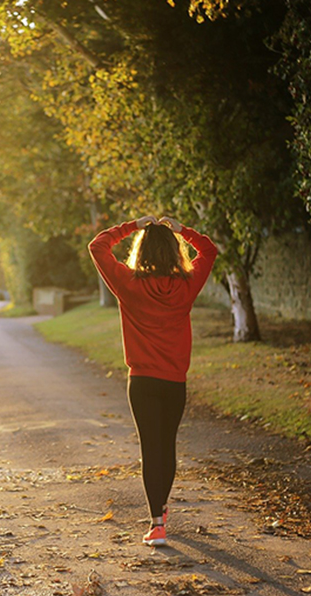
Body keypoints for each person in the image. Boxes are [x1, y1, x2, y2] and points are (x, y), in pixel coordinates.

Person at [88, 215, 218, 546]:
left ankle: (157, 523)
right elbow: (209, 250)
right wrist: (182, 230)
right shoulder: (187, 285)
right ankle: (160, 509)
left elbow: (97, 246)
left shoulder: (128, 284)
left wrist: (132, 225)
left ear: (141, 252)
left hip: (142, 381)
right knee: (167, 446)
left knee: (151, 448)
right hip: (174, 382)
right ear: (175, 253)